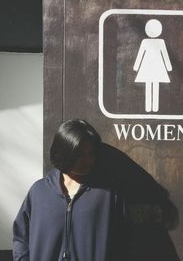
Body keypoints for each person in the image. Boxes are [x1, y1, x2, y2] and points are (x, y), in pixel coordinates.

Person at [12, 119, 124, 261]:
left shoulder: (107, 194)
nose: (87, 161)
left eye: (90, 154)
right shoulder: (39, 192)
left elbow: (122, 241)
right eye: (80, 155)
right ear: (64, 152)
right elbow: (20, 236)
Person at [133, 19, 172, 113]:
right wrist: (136, 66)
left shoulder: (160, 42)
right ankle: (150, 108)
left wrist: (168, 66)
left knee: (153, 87)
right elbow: (140, 55)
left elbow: (165, 55)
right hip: (150, 67)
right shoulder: (145, 42)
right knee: (151, 87)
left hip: (154, 68)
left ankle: (153, 108)